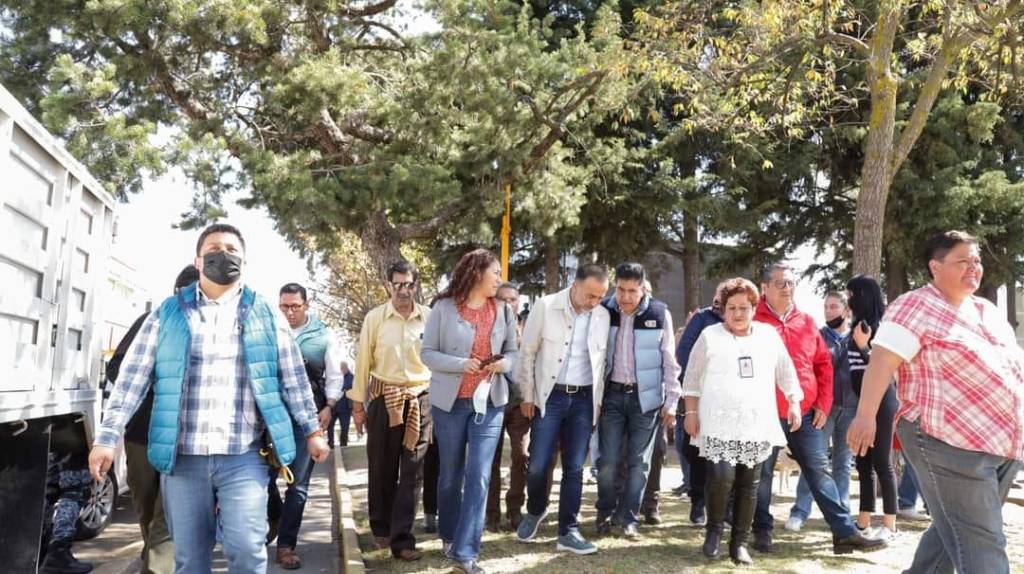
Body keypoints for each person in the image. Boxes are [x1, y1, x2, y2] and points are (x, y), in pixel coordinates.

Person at [88, 223, 329, 574]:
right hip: (183, 461)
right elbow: (131, 380)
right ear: (198, 261)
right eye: (214, 249)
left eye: (232, 250)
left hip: (244, 458)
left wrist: (313, 431)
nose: (223, 255)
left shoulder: (265, 315)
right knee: (189, 559)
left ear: (244, 262)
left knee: (247, 551)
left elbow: (293, 379)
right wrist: (107, 438)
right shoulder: (167, 314)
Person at [848, 231, 1024, 574]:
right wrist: (865, 415)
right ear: (935, 267)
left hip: (1002, 442)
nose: (973, 267)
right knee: (982, 539)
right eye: (963, 261)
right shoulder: (915, 305)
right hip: (946, 439)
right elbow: (882, 361)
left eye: (977, 261)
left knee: (955, 527)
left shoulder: (986, 310)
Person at [753, 263, 884, 555]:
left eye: (791, 283)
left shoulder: (806, 322)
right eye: (780, 284)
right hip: (764, 412)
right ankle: (761, 531)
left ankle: (844, 533)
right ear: (764, 288)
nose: (787, 289)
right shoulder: (754, 321)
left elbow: (823, 364)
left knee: (820, 471)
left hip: (806, 413)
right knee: (762, 474)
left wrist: (823, 403)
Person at [682, 278, 803, 565]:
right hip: (718, 420)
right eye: (732, 308)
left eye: (744, 307)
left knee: (750, 484)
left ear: (754, 308)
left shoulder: (768, 335)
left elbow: (786, 371)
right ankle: (713, 533)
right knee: (721, 477)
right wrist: (691, 413)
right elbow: (692, 378)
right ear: (723, 310)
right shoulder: (710, 335)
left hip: (755, 421)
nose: (738, 313)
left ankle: (739, 543)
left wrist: (793, 402)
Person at [421, 249, 519, 574]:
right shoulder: (443, 308)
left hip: (489, 403)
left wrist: (505, 364)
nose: (499, 278)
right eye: (495, 272)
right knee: (450, 475)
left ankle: (466, 552)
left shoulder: (503, 310)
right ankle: (449, 535)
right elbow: (427, 354)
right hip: (450, 404)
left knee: (479, 474)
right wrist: (461, 364)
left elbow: (513, 352)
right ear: (477, 273)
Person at [103, 265, 200, 574]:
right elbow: (116, 369)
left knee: (169, 514)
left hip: (185, 442)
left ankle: (160, 564)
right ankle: (156, 557)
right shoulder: (151, 321)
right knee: (146, 506)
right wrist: (155, 382)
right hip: (142, 435)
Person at [515, 263, 611, 555]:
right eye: (591, 295)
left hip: (583, 400)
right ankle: (535, 509)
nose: (595, 302)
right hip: (550, 397)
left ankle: (568, 531)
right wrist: (527, 395)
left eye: (600, 297)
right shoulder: (546, 306)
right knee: (538, 464)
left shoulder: (603, 315)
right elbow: (527, 353)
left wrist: (597, 403)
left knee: (574, 467)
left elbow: (602, 363)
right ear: (575, 285)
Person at [350, 260, 433, 562]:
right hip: (384, 399)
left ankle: (403, 539)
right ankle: (381, 527)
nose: (403, 290)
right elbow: (363, 363)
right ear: (388, 285)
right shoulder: (375, 319)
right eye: (397, 284)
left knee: (413, 471)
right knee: (382, 467)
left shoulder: (429, 318)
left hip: (421, 400)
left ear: (416, 285)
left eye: (408, 284)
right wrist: (358, 407)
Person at [595, 263, 681, 538]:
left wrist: (672, 400)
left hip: (646, 400)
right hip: (612, 396)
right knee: (607, 462)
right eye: (621, 289)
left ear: (643, 289)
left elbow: (669, 360)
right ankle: (605, 512)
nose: (626, 297)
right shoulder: (604, 311)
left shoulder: (659, 313)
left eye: (632, 291)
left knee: (639, 464)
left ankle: (627, 518)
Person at [270, 282, 347, 569]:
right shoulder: (268, 331)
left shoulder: (323, 335)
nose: (289, 311)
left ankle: (286, 545)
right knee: (261, 480)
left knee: (298, 485)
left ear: (306, 306)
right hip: (269, 419)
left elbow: (335, 375)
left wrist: (329, 405)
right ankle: (275, 515)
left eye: (295, 306)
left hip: (308, 418)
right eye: (284, 306)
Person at [785, 291, 856, 532]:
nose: (828, 311)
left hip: (851, 409)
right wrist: (818, 404)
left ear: (846, 311)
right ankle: (800, 511)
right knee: (814, 462)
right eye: (826, 307)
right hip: (823, 409)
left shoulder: (857, 337)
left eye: (834, 307)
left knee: (843, 464)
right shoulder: (818, 335)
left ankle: (841, 514)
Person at [845, 275, 899, 541]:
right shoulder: (857, 325)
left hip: (882, 399)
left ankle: (890, 525)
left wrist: (863, 346)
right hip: (862, 401)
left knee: (881, 462)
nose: (848, 299)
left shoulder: (882, 327)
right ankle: (863, 521)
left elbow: (885, 369)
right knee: (863, 460)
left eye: (851, 295)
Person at [675, 284, 726, 525]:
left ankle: (725, 507)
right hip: (700, 394)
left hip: (728, 398)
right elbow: (685, 350)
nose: (717, 299)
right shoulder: (701, 319)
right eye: (716, 294)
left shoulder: (741, 321)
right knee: (694, 450)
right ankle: (698, 502)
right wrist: (698, 380)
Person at [39, 449, 93, 574]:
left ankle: (42, 550)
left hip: (52, 446)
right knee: (75, 492)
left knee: (50, 491)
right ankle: (58, 552)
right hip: (72, 446)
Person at [328, 361, 355, 447]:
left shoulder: (352, 377)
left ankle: (343, 445)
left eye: (343, 368)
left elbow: (351, 389)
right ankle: (330, 444)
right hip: (334, 407)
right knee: (330, 426)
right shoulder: (336, 377)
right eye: (340, 369)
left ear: (346, 368)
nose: (342, 370)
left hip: (345, 408)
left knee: (345, 428)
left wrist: (343, 389)